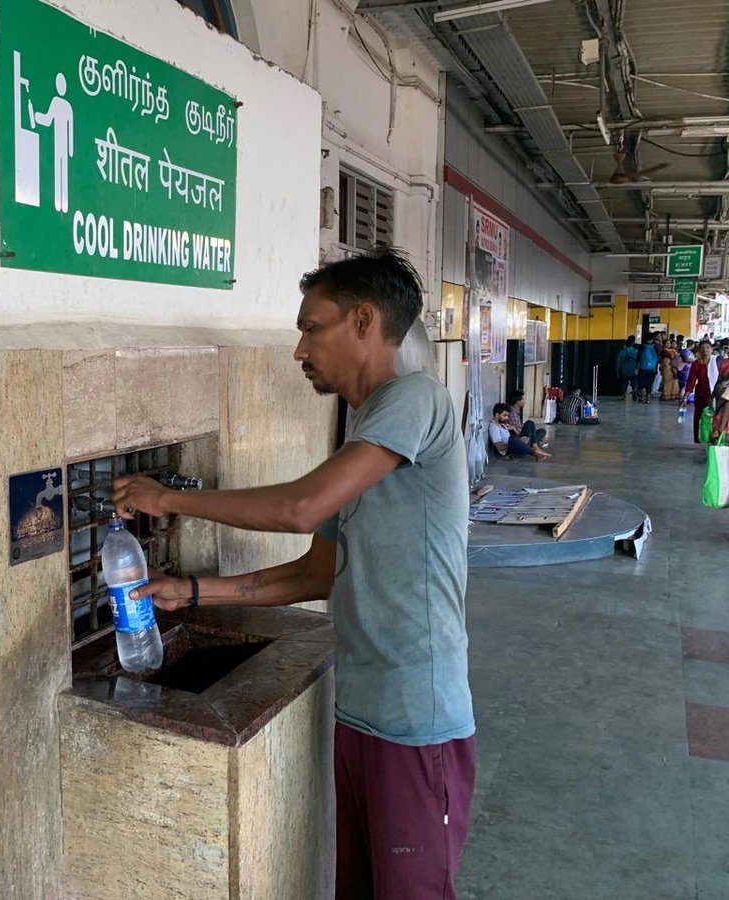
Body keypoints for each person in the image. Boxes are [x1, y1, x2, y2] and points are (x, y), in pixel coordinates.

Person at [111, 249, 475, 899]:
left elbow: (299, 507)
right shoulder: (364, 434)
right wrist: (190, 593)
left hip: (418, 722)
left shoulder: (414, 401)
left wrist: (166, 499)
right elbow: (315, 573)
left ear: (364, 321)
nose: (300, 349)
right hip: (362, 717)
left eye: (313, 327)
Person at [688, 340, 716, 443]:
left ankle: (713, 438)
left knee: (715, 416)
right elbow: (691, 380)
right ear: (699, 350)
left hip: (715, 393)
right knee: (699, 415)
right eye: (703, 348)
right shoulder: (696, 364)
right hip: (701, 393)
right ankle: (699, 437)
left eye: (708, 347)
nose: (705, 350)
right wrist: (686, 394)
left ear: (712, 349)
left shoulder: (716, 362)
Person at [636, 335, 660, 403]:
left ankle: (641, 397)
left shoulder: (642, 346)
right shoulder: (655, 347)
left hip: (642, 367)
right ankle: (648, 399)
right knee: (649, 383)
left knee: (641, 382)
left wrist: (636, 367)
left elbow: (638, 357)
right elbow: (657, 358)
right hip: (652, 368)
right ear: (652, 339)